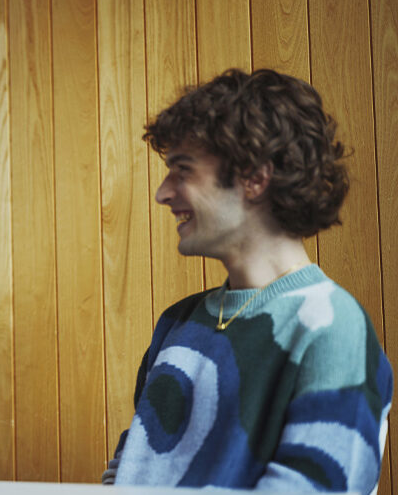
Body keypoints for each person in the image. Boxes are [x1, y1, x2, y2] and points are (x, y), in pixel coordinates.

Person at [103, 69, 392, 493]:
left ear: (254, 177)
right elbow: (127, 472)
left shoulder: (332, 327)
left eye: (182, 171)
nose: (162, 193)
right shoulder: (176, 323)